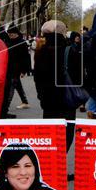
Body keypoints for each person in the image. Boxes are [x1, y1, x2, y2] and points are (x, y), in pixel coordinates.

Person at [33, 20, 77, 149]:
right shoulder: (70, 49)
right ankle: (62, 159)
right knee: (67, 133)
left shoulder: (41, 51)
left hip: (48, 100)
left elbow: (37, 77)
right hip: (67, 99)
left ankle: (52, 162)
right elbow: (78, 76)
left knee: (50, 133)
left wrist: (41, 96)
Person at [1, 25, 32, 117]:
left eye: (12, 34)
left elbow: (25, 57)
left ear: (16, 34)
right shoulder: (8, 41)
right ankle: (25, 102)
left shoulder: (22, 43)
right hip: (8, 67)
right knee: (17, 85)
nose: (10, 36)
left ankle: (6, 107)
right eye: (9, 34)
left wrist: (24, 70)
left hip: (16, 69)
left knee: (11, 87)